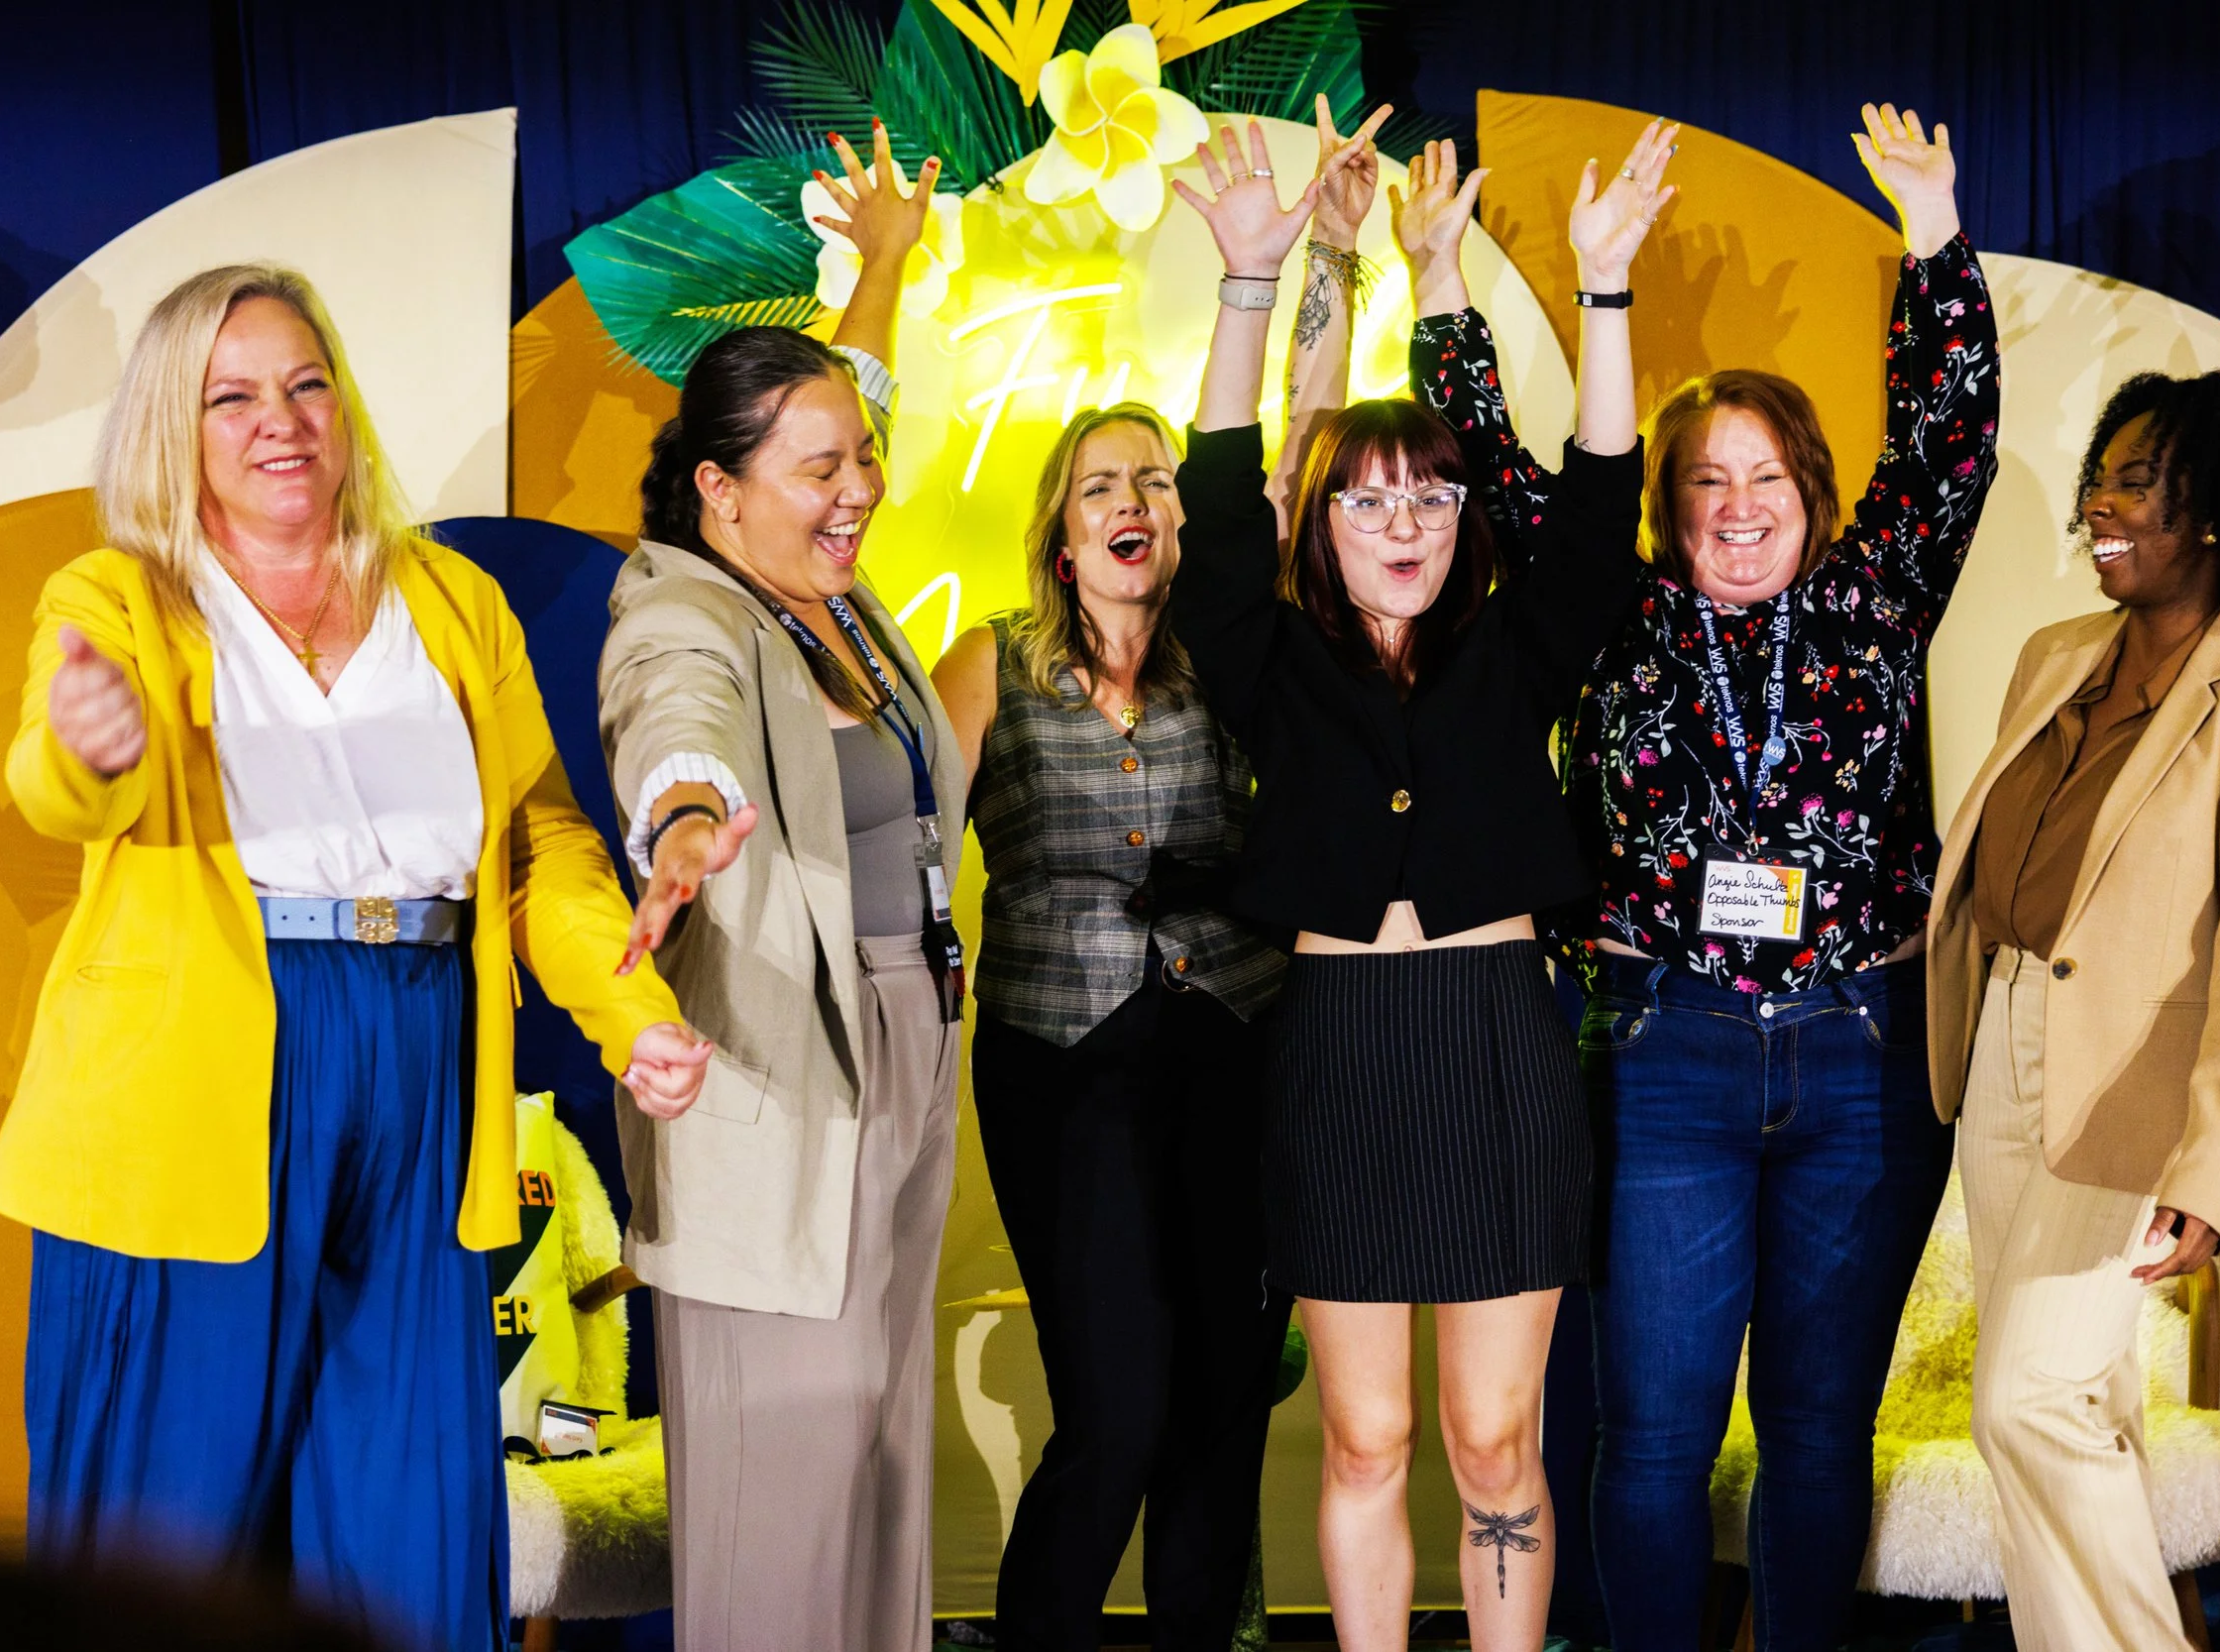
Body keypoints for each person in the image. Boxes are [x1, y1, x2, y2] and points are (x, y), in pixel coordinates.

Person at [0, 263, 712, 1652]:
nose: (283, 419)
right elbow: (53, 781)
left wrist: (630, 1013)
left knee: (400, 1518)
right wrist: (83, 748)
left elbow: (539, 844)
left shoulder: (448, 598)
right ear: (171, 424)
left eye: (308, 383)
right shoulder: (121, 595)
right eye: (234, 394)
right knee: (167, 1525)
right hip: (201, 1088)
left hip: (421, 1059)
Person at [1413, 105, 2000, 1650]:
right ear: (1668, 505)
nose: (1739, 510)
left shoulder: (1876, 599)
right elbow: (1484, 459)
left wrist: (1935, 235)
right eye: (1706, 485)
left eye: (1767, 481)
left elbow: (1949, 441)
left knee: (1817, 1430)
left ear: (1810, 490)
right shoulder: (1609, 609)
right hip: (1664, 1048)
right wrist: (1431, 284)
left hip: (1862, 1052)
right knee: (1657, 1434)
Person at [1167, 116, 1670, 1651]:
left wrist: (1602, 293)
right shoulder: (1271, 661)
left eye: (1434, 499)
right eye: (1370, 500)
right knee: (1368, 1438)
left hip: (1496, 1044)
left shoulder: (1514, 649)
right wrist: (1254, 282)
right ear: (1321, 526)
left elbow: (1595, 504)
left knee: (1493, 1439)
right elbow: (1215, 495)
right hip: (1339, 1053)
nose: (1405, 524)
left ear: (1463, 523)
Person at [932, 93, 1384, 1652]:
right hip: (1061, 1065)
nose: (1135, 501)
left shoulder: (1230, 655)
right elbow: (915, 838)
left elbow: (1309, 444)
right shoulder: (988, 663)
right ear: (1061, 527)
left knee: (1216, 1404)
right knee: (1114, 1406)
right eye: (1102, 484)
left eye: (1156, 482)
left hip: (1231, 1048)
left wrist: (1330, 259)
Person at [594, 123, 957, 1652]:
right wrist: (686, 820)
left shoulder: (823, 588)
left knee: (879, 1453)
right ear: (717, 492)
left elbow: (841, 404)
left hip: (908, 1041)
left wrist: (877, 267)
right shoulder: (687, 610)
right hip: (783, 1075)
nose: (861, 486)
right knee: (785, 1477)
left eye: (858, 461)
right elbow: (670, 733)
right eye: (821, 472)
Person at [1926, 370, 2220, 1652]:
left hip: (2135, 1091)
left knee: (2029, 1401)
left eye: (2136, 481)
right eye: (2099, 477)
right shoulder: (2058, 654)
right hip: (2000, 1047)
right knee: (2084, 1404)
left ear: (2213, 510)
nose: (2099, 506)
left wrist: (2214, 1168)